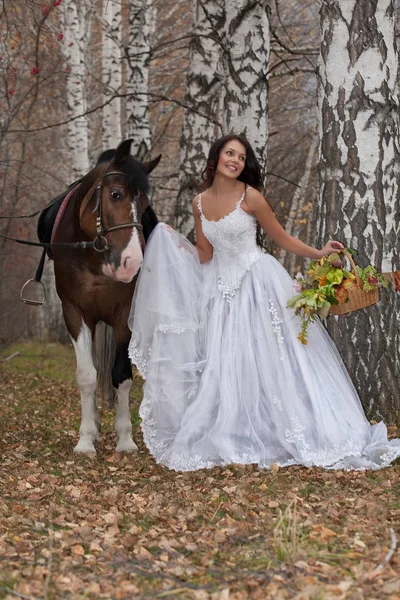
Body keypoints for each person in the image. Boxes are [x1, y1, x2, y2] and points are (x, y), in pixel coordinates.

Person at [128, 134, 400, 472]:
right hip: (221, 290)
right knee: (228, 362)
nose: (236, 161)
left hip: (259, 282)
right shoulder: (198, 203)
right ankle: (237, 429)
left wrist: (318, 253)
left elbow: (281, 237)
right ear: (217, 158)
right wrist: (172, 243)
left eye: (242, 157)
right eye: (230, 153)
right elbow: (204, 254)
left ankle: (299, 429)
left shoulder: (250, 196)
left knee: (282, 359)